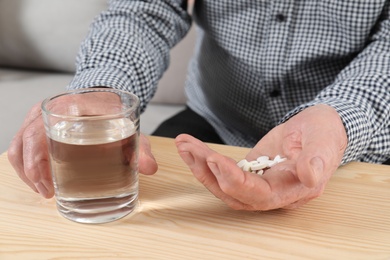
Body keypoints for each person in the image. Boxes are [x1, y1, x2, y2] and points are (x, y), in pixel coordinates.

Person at [8, 1, 390, 211]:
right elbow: (145, 9)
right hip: (212, 125)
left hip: (358, 135)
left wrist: (339, 120)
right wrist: (104, 88)